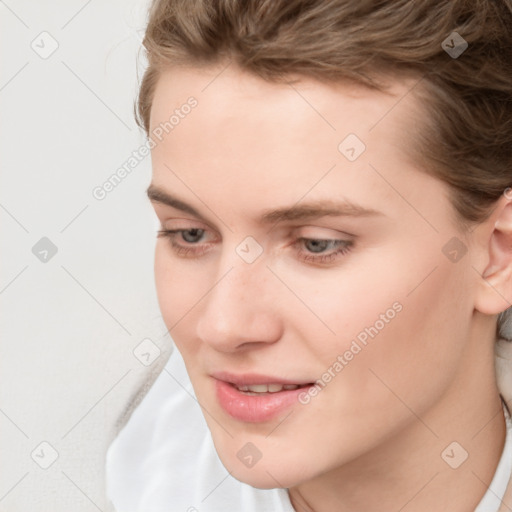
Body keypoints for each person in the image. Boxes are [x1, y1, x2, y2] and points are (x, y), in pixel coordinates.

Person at [106, 0, 512, 510]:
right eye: (189, 235)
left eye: (318, 244)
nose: (222, 326)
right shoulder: (135, 464)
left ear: (498, 253)